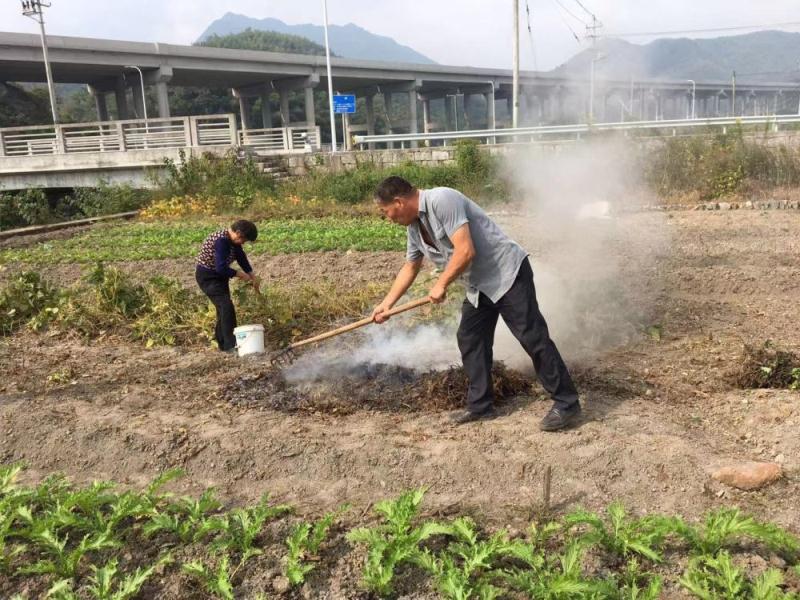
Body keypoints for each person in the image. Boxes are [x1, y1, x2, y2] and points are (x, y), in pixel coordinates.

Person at [371, 176, 581, 431]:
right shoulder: (414, 229)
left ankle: (567, 404)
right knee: (470, 338)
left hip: (506, 274)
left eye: (386, 211)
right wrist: (387, 305)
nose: (388, 218)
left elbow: (465, 251)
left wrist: (442, 284)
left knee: (532, 336)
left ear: (399, 202)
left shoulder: (441, 199)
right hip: (479, 285)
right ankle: (481, 406)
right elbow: (410, 266)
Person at [195, 220, 260, 352]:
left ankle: (223, 344)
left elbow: (240, 256)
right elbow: (220, 268)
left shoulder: (231, 241)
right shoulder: (222, 241)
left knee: (223, 309)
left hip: (219, 277)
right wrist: (240, 274)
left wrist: (252, 275)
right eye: (244, 240)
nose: (243, 243)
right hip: (208, 277)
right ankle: (230, 345)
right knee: (226, 306)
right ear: (238, 233)